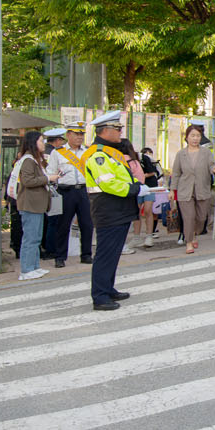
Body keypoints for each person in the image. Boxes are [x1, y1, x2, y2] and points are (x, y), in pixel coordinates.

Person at [81, 112, 139, 311]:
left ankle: (108, 288)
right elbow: (108, 183)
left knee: (113, 253)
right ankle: (100, 296)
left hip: (118, 209)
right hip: (108, 209)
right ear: (105, 131)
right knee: (106, 254)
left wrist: (136, 186)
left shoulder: (109, 153)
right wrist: (134, 189)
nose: (121, 132)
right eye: (118, 128)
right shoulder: (98, 155)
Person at [45, 124, 93, 266]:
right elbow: (50, 172)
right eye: (76, 134)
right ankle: (60, 257)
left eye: (81, 134)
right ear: (68, 135)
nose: (80, 137)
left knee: (87, 224)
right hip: (66, 191)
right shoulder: (58, 152)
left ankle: (86, 254)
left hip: (83, 190)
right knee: (62, 225)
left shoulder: (87, 152)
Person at [11, 130, 52, 282]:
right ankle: (26, 269)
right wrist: (48, 178)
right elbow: (28, 181)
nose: (43, 143)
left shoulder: (35, 159)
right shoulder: (28, 160)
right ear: (33, 142)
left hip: (37, 205)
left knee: (36, 237)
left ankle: (34, 266)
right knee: (30, 238)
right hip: (30, 204)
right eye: (41, 141)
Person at [171, 123, 215, 254]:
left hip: (202, 188)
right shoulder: (181, 154)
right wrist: (172, 190)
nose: (195, 138)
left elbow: (211, 165)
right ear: (187, 137)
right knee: (189, 217)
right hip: (185, 190)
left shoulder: (206, 152)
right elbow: (176, 173)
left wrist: (214, 169)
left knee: (201, 218)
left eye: (198, 136)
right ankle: (189, 242)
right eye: (193, 136)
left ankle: (195, 233)